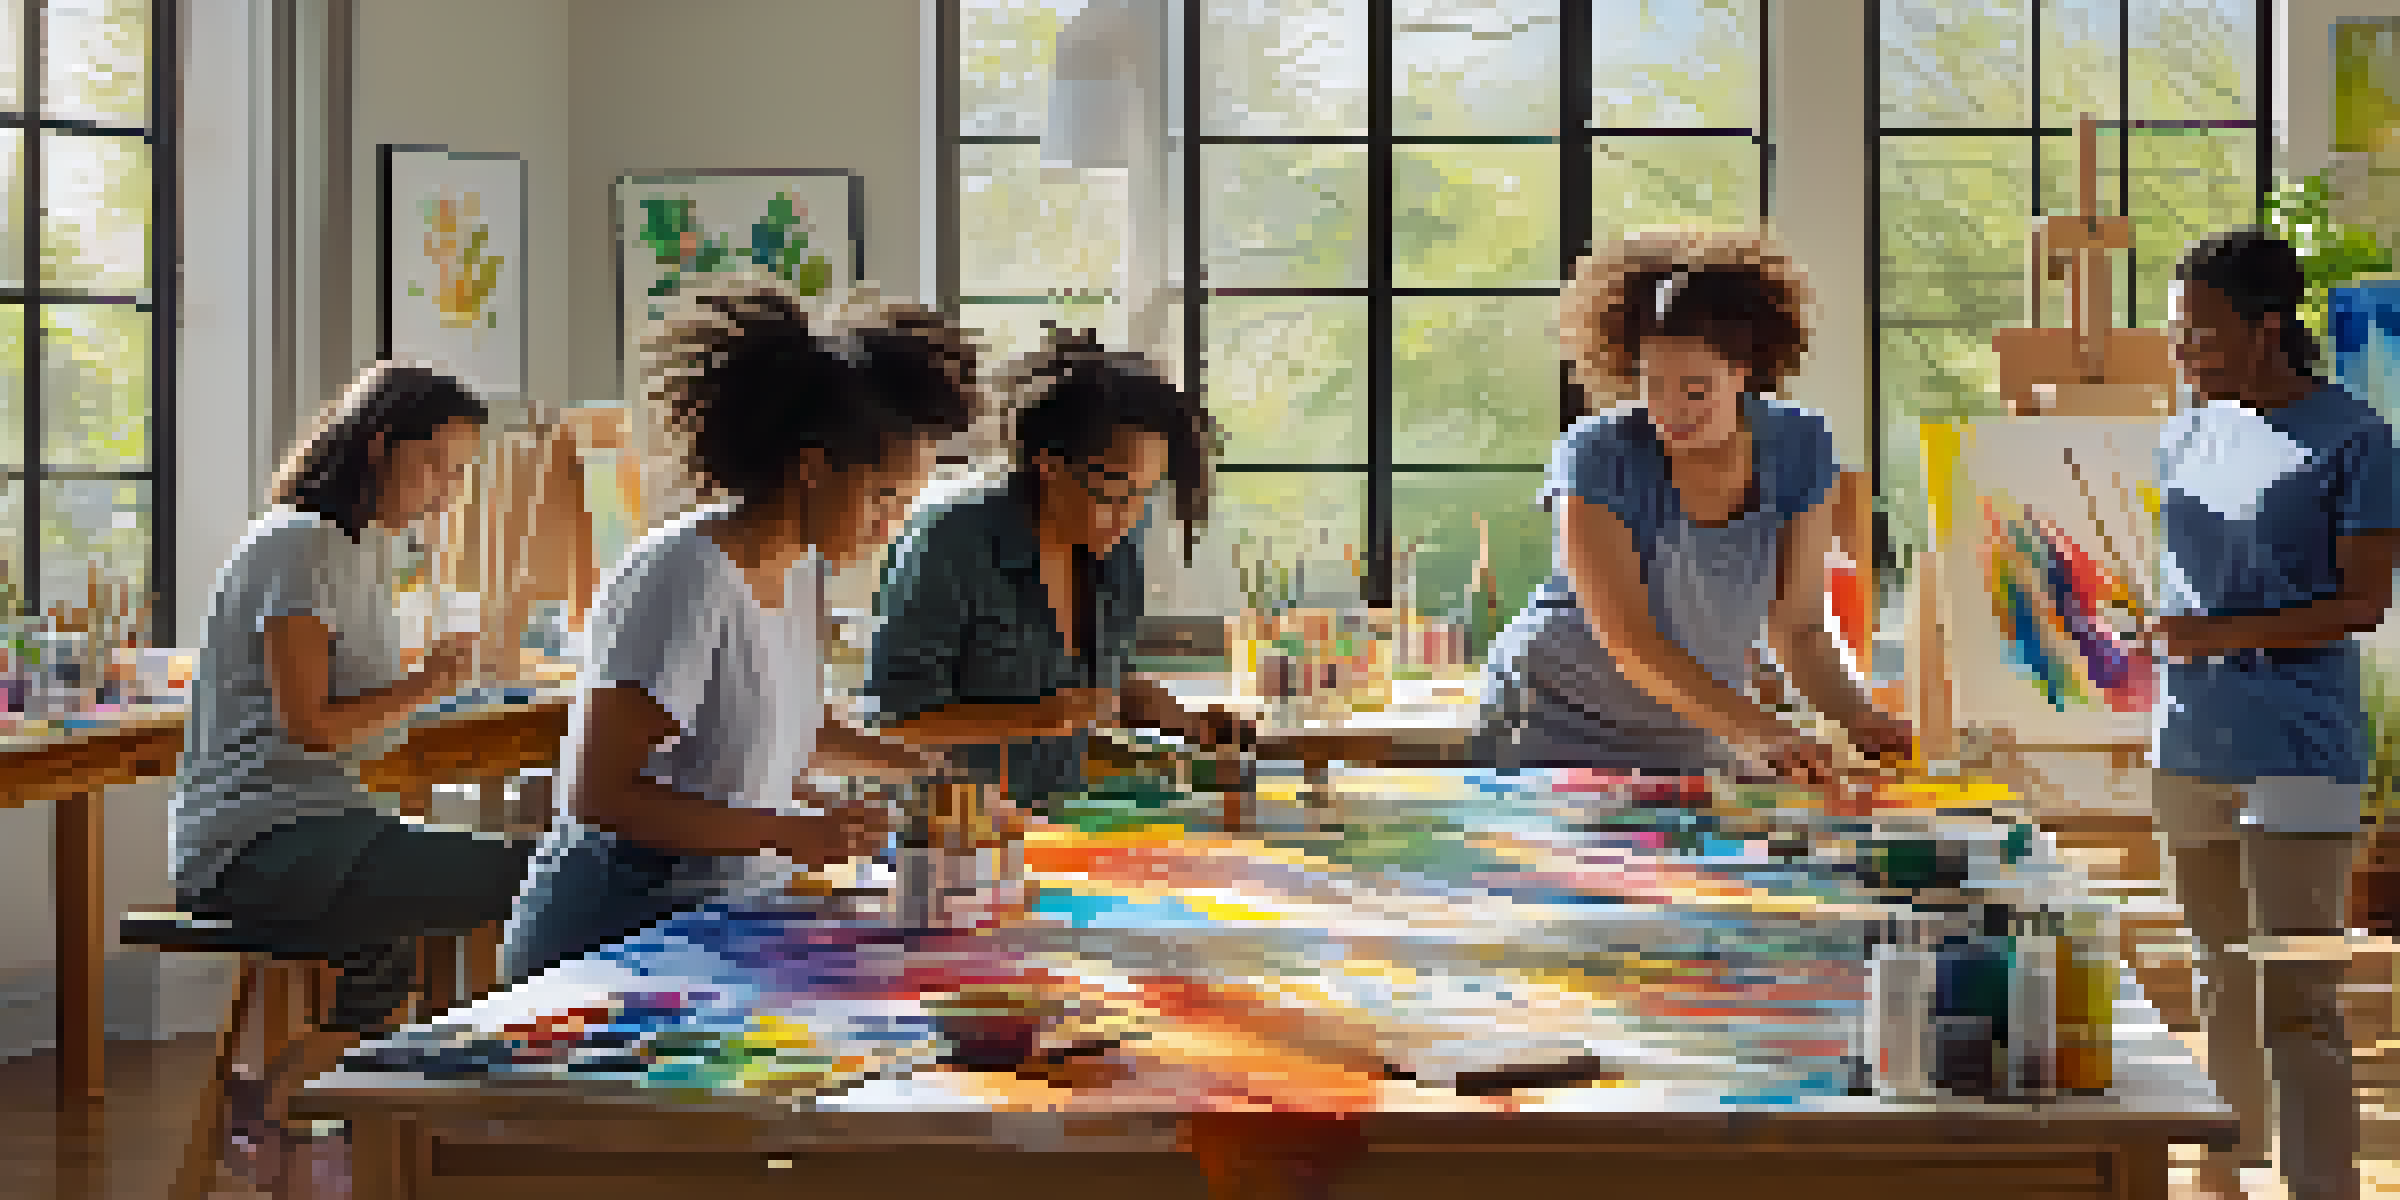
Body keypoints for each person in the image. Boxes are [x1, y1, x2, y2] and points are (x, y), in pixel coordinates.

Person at [496, 282, 973, 988]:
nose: (892, 526)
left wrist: (928, 777)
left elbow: (797, 728)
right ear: (813, 468)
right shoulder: (688, 577)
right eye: (884, 497)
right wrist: (786, 829)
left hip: (713, 927)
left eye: (904, 504)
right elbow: (600, 794)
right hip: (607, 941)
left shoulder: (801, 571)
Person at [170, 361, 528, 1145]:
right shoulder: (303, 544)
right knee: (529, 873)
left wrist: (422, 688)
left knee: (395, 962)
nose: (446, 490)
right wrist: (426, 685)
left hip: (311, 826)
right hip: (255, 844)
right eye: (435, 462)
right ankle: (489, 1121)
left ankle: (272, 1106)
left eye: (459, 471)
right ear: (377, 446)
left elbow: (354, 728)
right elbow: (311, 725)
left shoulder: (355, 551)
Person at [1470, 229, 1913, 781]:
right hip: (1555, 716)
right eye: (1653, 386)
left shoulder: (1801, 448)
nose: (1671, 409)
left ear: (1744, 372)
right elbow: (1630, 639)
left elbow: (1797, 630)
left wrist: (1860, 717)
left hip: (1695, 720)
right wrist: (1756, 727)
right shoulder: (1597, 453)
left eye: (1696, 389)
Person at [2147, 230, 2397, 1200]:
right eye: (2177, 336)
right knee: (2219, 976)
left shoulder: (2356, 440)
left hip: (2298, 750)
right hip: (2190, 740)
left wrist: (2221, 634)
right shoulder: (2187, 430)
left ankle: (2322, 1187)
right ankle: (2222, 1179)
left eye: (2200, 336)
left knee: (2300, 995)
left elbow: (2361, 603)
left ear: (2266, 330)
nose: (2185, 355)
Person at [861, 328, 1248, 813]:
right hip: (946, 839)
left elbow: (1093, 686)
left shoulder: (1115, 547)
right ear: (1048, 464)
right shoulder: (949, 542)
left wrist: (1183, 720)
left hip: (1052, 832)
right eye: (1114, 493)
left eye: (1145, 494)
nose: (1129, 515)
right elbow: (891, 723)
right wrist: (1039, 716)